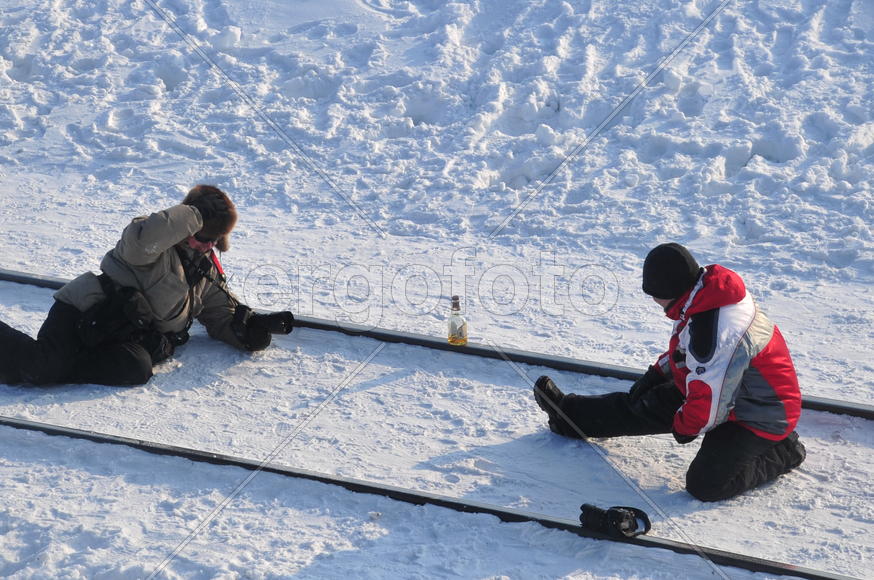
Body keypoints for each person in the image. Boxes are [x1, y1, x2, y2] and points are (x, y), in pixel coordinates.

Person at [534, 242, 806, 502]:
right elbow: (686, 353)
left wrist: (685, 427)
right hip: (731, 392)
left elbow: (710, 400)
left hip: (760, 413)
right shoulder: (704, 296)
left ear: (670, 289)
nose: (653, 300)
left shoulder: (715, 331)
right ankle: (569, 416)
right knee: (642, 404)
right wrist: (656, 374)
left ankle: (785, 450)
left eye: (654, 293)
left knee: (706, 484)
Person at [0, 185, 294, 387]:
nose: (208, 246)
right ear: (189, 225)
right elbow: (145, 238)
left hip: (121, 334)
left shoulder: (204, 271)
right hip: (84, 312)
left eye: (215, 240)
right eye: (204, 236)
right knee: (41, 367)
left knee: (135, 369)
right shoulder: (149, 245)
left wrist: (250, 332)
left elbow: (222, 316)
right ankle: (48, 366)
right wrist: (196, 212)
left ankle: (58, 368)